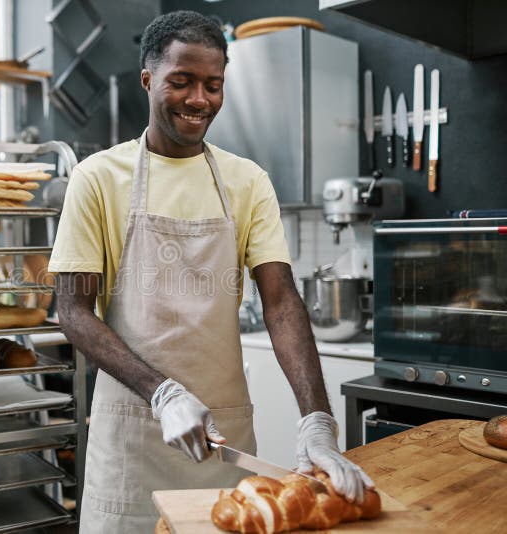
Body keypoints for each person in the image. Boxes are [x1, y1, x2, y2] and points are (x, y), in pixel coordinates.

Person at [48, 10, 374, 533]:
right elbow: (72, 311)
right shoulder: (98, 178)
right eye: (182, 81)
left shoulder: (247, 181)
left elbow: (282, 301)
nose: (199, 99)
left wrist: (317, 420)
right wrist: (163, 393)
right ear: (148, 79)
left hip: (225, 441)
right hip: (133, 437)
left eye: (213, 84)